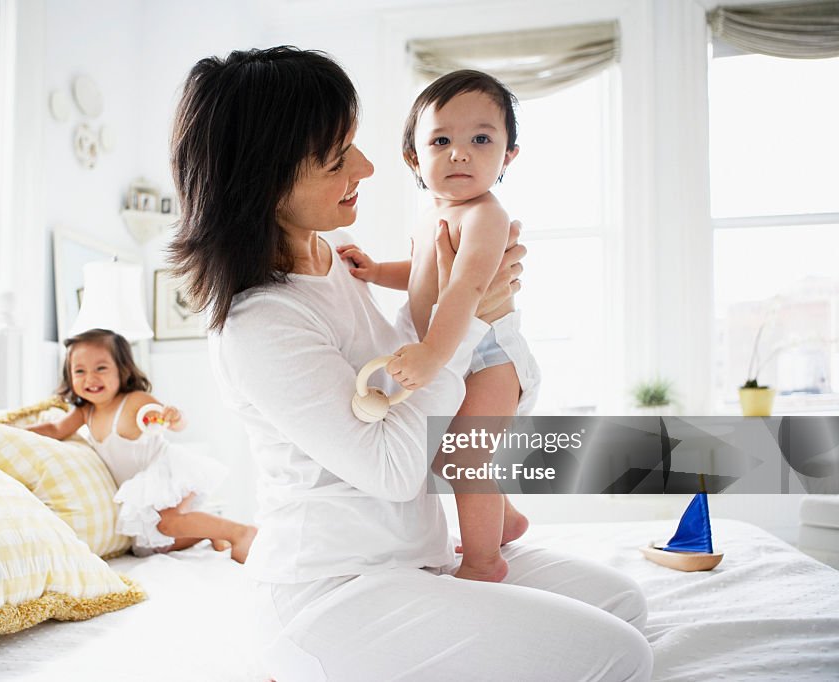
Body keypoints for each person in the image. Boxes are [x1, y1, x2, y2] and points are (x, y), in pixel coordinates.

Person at [169, 46, 652, 680]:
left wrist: (463, 301)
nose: (368, 167)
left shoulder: (335, 254)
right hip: (335, 587)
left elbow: (399, 364)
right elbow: (396, 468)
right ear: (265, 176)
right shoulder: (261, 324)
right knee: (617, 654)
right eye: (339, 158)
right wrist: (474, 316)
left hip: (415, 555)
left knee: (624, 603)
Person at [335, 69, 541, 583]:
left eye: (481, 139)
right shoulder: (431, 215)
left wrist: (431, 354)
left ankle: (483, 562)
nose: (460, 153)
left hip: (490, 358)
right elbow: (426, 276)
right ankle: (507, 520)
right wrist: (377, 271)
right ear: (414, 158)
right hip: (457, 354)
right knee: (452, 457)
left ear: (508, 155)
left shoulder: (486, 217)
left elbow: (467, 290)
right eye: (442, 140)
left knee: (465, 458)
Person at [27, 328, 257, 563]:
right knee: (149, 546)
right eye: (79, 371)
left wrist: (174, 418)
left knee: (167, 523)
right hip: (138, 489)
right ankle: (211, 532)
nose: (90, 378)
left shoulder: (135, 401)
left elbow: (169, 420)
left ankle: (240, 532)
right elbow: (56, 429)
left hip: (165, 473)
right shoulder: (85, 411)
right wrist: (13, 430)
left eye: (101, 368)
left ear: (122, 370)